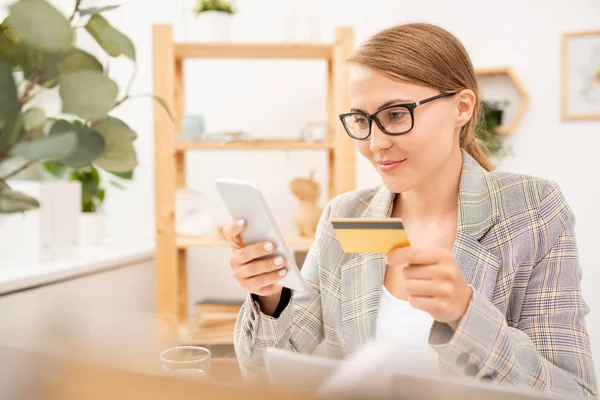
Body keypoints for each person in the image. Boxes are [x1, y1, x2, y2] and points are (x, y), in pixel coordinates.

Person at [222, 23, 597, 398]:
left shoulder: (533, 210)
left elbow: (572, 392)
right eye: (361, 120)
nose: (375, 142)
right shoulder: (349, 217)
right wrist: (269, 296)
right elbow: (264, 375)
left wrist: (466, 315)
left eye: (397, 115)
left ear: (462, 108)